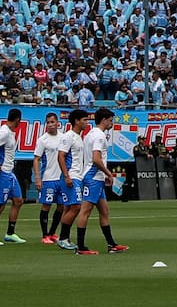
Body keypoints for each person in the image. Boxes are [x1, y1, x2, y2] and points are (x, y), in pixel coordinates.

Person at [74, 107, 129, 255]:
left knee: (104, 211)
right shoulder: (99, 136)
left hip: (94, 176)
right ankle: (80, 247)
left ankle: (111, 244)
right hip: (93, 177)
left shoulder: (91, 133)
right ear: (104, 120)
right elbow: (96, 159)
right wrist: (108, 174)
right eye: (110, 120)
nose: (112, 123)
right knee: (85, 211)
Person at [0, 107, 27, 245]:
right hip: (1, 173)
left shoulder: (10, 132)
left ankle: (10, 233)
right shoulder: (4, 132)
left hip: (10, 173)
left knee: (18, 200)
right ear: (18, 120)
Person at [55, 109, 89, 251]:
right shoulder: (68, 136)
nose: (87, 123)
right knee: (76, 207)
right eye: (84, 120)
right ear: (76, 121)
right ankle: (63, 238)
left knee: (69, 207)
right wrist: (67, 176)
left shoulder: (78, 137)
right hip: (71, 176)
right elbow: (61, 156)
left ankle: (65, 238)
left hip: (77, 176)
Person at [33, 111, 66, 243]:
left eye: (52, 122)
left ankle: (52, 233)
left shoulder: (64, 138)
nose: (50, 125)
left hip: (61, 178)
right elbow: (36, 159)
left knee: (61, 206)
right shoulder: (43, 140)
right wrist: (37, 178)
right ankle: (44, 235)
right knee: (46, 206)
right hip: (48, 178)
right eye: (48, 123)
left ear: (58, 123)